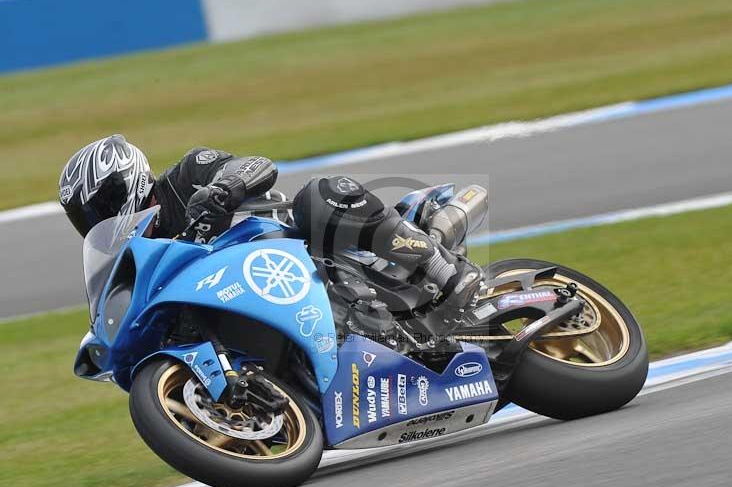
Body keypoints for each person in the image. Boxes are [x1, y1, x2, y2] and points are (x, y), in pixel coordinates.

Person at [58, 134, 482, 308]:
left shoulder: (186, 175)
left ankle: (442, 269)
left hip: (302, 252)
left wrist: (224, 189)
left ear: (129, 180)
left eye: (105, 202)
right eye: (89, 216)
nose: (101, 217)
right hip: (249, 297)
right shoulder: (137, 258)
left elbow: (255, 164)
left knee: (318, 196)